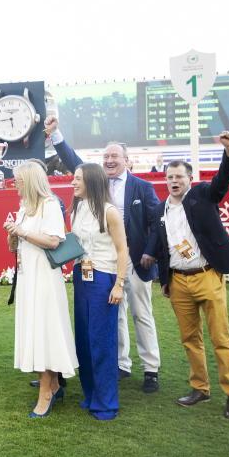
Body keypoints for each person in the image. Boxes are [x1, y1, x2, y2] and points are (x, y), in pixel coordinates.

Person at [46, 116, 161, 393]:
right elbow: (75, 162)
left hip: (135, 259)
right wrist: (56, 134)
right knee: (114, 313)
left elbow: (156, 223)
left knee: (141, 313)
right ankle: (121, 364)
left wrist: (150, 251)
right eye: (106, 156)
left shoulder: (142, 187)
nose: (109, 160)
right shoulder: (95, 182)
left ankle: (151, 369)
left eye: (115, 156)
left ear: (127, 160)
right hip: (104, 262)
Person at [153, 131, 229, 419]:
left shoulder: (204, 194)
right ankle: (200, 388)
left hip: (207, 276)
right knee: (189, 339)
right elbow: (163, 248)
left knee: (220, 337)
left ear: (190, 178)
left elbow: (223, 181)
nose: (174, 181)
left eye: (179, 176)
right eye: (170, 177)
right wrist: (165, 281)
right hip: (178, 281)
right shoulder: (160, 209)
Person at [3, 161, 78, 418]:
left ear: (29, 181)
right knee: (35, 331)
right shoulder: (25, 206)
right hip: (28, 278)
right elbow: (15, 246)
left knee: (45, 331)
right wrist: (12, 234)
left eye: (18, 180)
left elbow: (54, 241)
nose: (14, 184)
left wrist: (21, 231)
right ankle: (53, 385)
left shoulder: (49, 204)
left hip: (44, 277)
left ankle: (46, 392)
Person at [70, 163, 129, 420]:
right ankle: (91, 394)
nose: (73, 182)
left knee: (102, 341)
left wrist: (119, 284)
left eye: (78, 179)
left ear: (91, 181)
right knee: (83, 340)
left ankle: (106, 403)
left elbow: (122, 249)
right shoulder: (78, 208)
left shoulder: (110, 212)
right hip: (81, 276)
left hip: (104, 278)